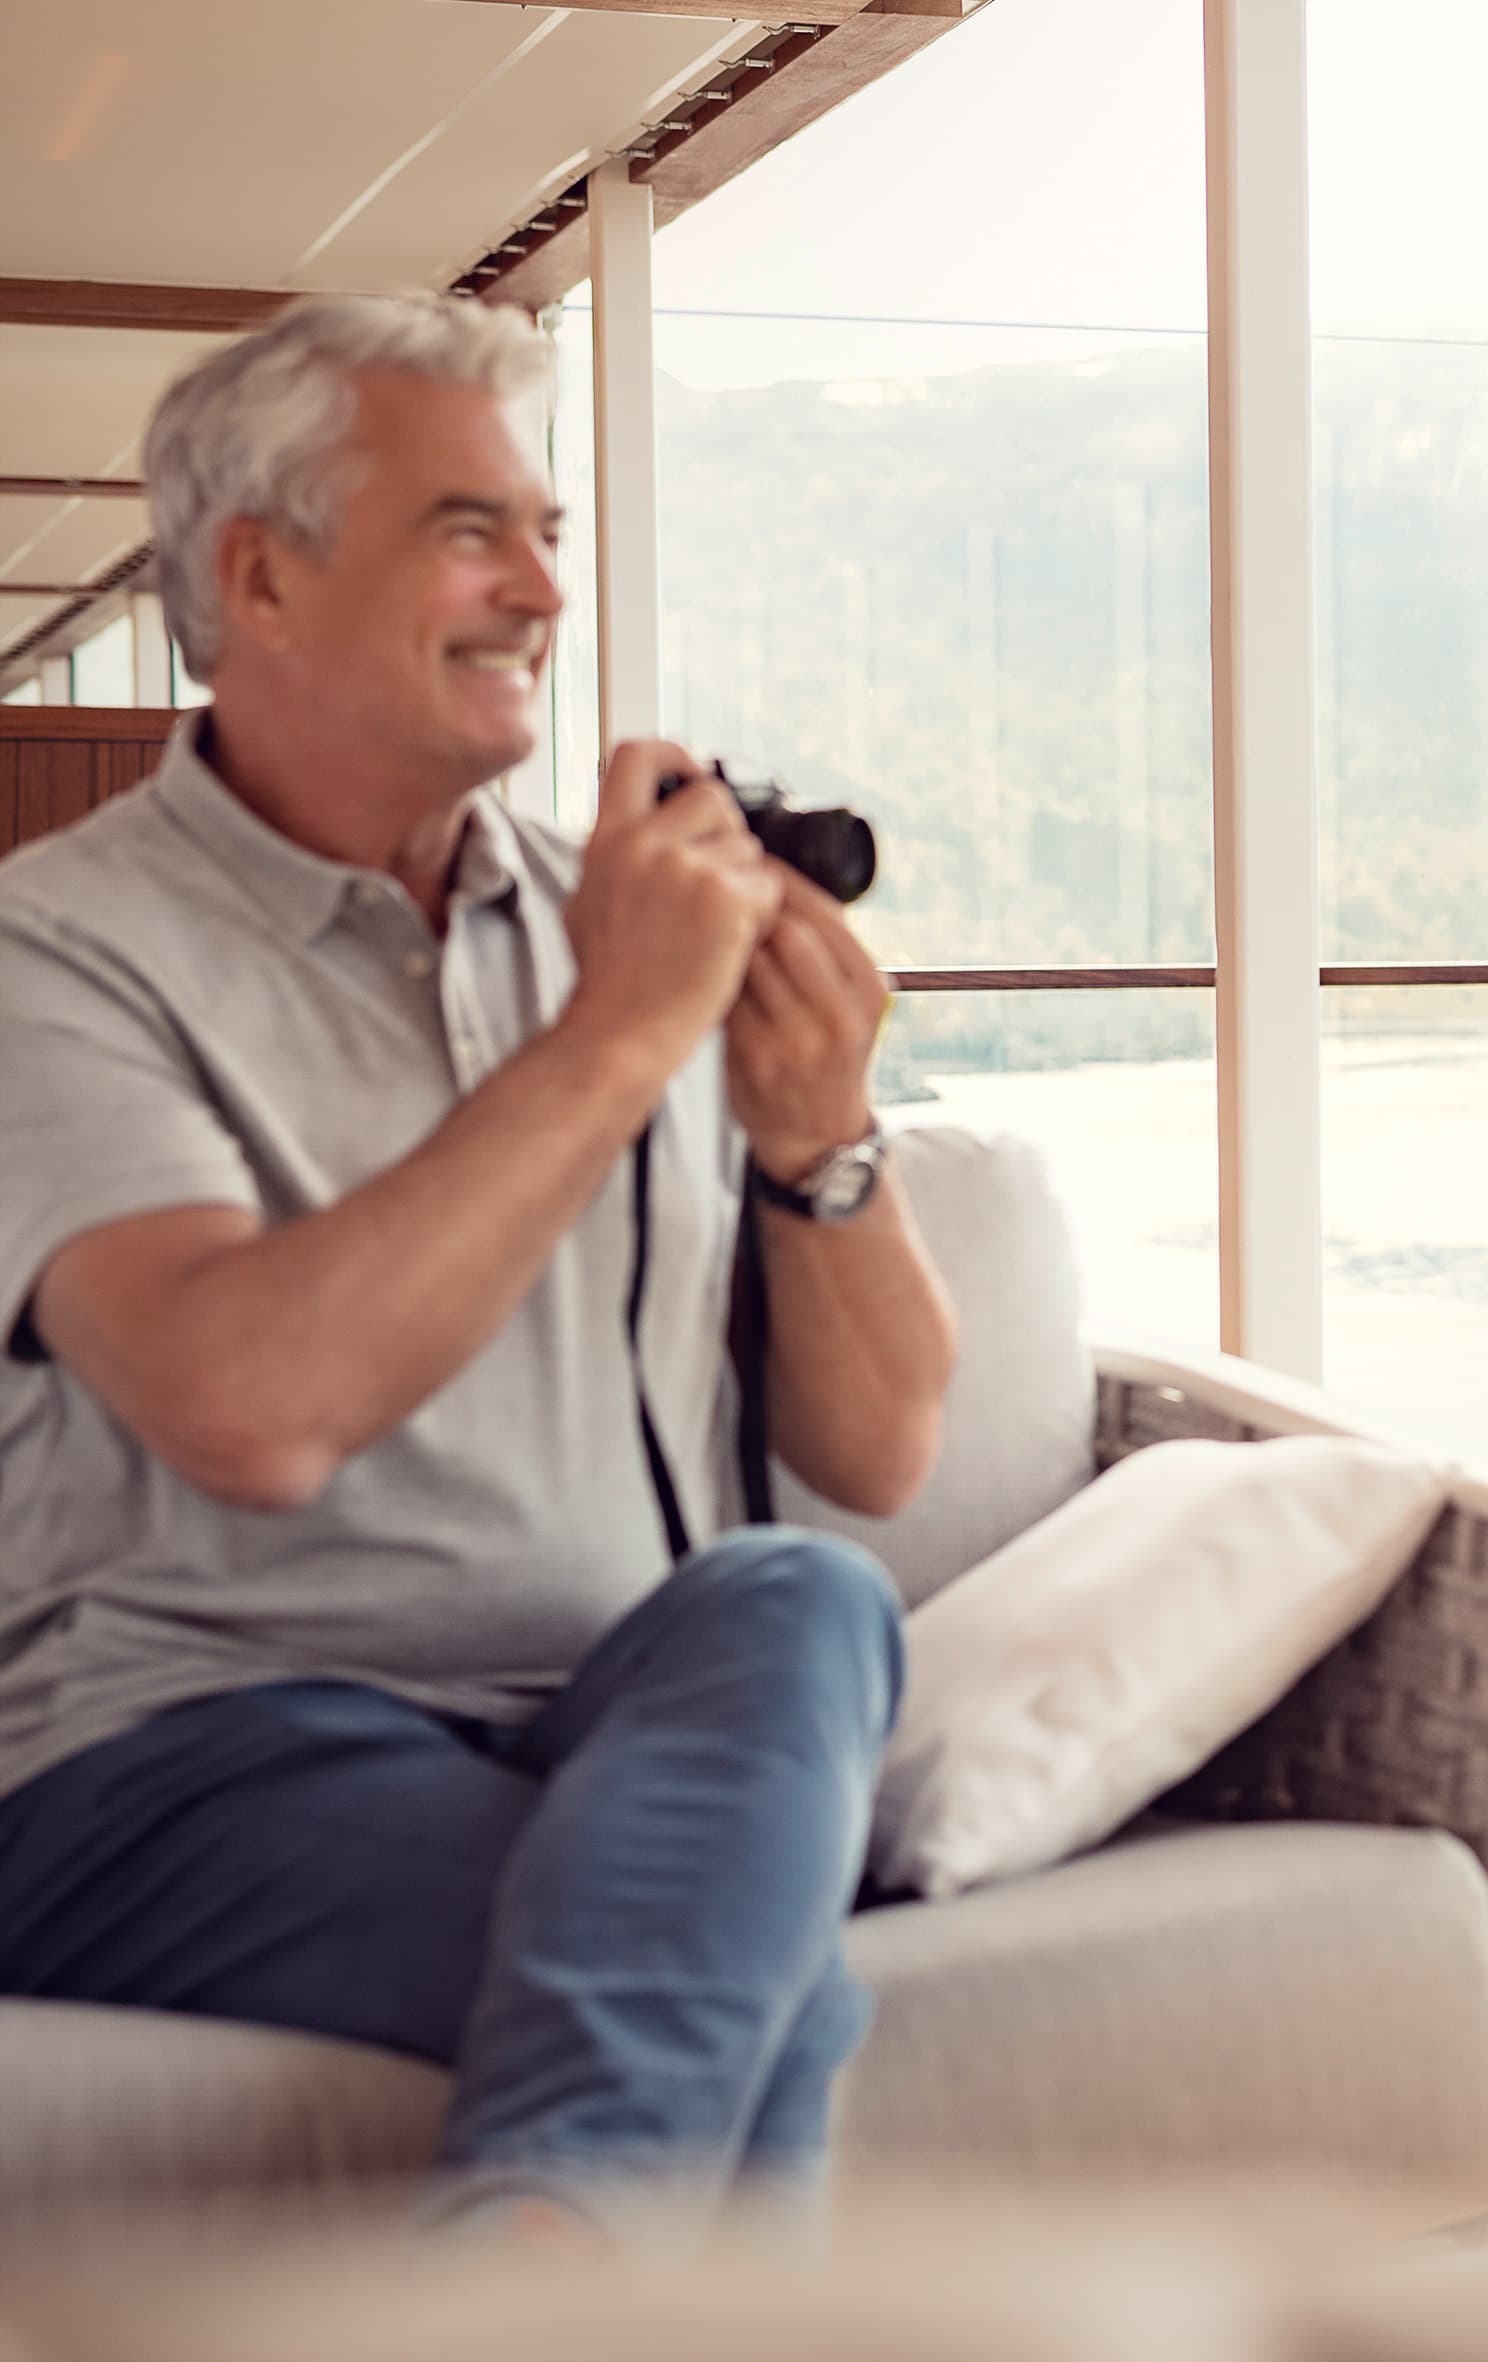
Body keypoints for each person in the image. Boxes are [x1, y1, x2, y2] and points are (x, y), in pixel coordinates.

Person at [0, 294, 959, 2232]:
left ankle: (534, 2278)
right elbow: (246, 1403)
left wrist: (819, 1138)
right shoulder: (52, 953)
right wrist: (613, 1036)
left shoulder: (627, 922)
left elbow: (878, 1457)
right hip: (183, 1755)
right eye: (469, 529)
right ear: (258, 578)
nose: (540, 586)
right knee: (747, 1989)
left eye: (545, 534)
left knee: (801, 1598)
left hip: (625, 1712)